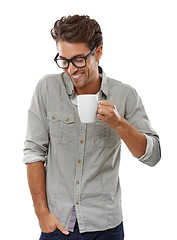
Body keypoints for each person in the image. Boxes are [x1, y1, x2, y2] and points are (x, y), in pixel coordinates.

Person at [23, 15, 161, 240]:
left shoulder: (125, 95)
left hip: (105, 225)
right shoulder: (47, 89)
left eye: (78, 59)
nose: (70, 69)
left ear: (98, 52)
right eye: (64, 60)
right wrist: (41, 214)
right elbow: (33, 152)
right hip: (57, 224)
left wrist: (119, 123)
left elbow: (152, 155)